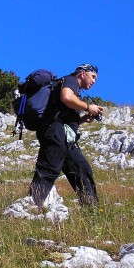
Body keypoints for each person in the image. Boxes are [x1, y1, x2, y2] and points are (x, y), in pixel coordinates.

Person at [29, 63, 104, 207]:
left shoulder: (74, 86)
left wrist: (83, 119)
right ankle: (31, 206)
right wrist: (88, 107)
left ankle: (92, 210)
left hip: (65, 137)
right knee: (48, 171)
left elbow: (65, 115)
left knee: (82, 170)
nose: (94, 81)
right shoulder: (71, 80)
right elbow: (66, 98)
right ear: (82, 73)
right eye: (93, 76)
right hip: (55, 132)